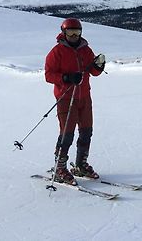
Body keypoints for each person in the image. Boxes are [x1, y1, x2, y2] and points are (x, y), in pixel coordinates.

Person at [45, 18, 106, 184]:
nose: (74, 35)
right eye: (70, 32)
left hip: (84, 96)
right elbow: (48, 75)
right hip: (66, 97)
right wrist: (66, 77)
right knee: (67, 134)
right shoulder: (57, 52)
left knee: (86, 131)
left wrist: (99, 66)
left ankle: (80, 165)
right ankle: (60, 168)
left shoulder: (85, 50)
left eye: (77, 32)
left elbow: (93, 72)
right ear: (64, 33)